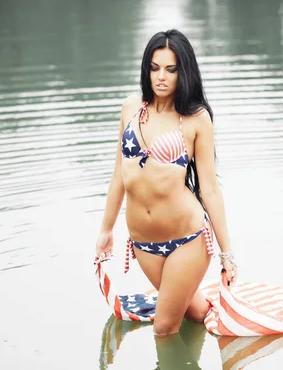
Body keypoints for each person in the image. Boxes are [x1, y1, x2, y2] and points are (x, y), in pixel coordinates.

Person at [95, 29, 237, 336]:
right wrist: (106, 231)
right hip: (144, 242)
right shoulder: (130, 108)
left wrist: (227, 253)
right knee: (195, 312)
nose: (161, 77)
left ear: (183, 72)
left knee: (164, 328)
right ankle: (210, 322)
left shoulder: (196, 119)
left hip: (187, 239)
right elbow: (120, 173)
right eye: (155, 67)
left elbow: (209, 189)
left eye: (171, 70)